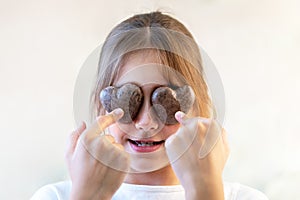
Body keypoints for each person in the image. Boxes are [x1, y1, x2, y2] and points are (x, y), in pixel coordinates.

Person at [31, 11, 268, 200]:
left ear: (197, 107)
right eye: (127, 101)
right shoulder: (56, 197)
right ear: (101, 106)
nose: (145, 123)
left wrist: (205, 192)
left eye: (168, 101)